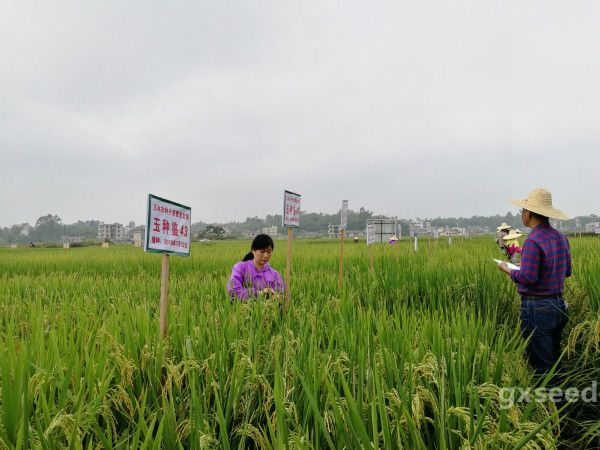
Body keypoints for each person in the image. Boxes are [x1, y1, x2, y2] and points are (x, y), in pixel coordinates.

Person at [498, 188, 571, 373]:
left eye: (522, 210)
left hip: (538, 309)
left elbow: (528, 278)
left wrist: (508, 270)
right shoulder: (561, 238)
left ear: (529, 213)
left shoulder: (532, 241)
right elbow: (567, 271)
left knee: (541, 366)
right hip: (558, 305)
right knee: (554, 359)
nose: (522, 214)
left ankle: (549, 392)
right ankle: (562, 389)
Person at [227, 234, 285, 301]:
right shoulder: (240, 268)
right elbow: (234, 291)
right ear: (253, 251)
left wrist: (276, 296)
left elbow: (281, 295)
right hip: (241, 307)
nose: (266, 255)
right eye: (262, 252)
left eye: (269, 252)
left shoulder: (274, 274)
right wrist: (259, 293)